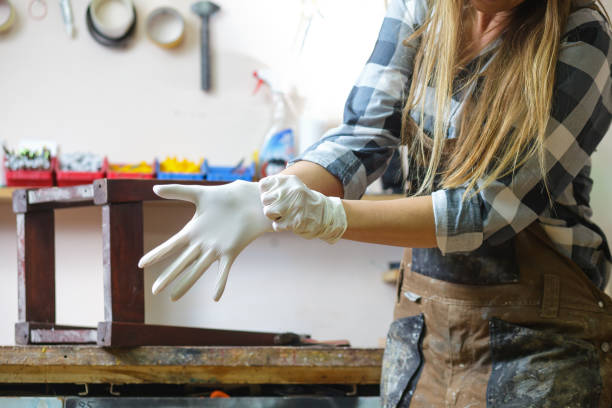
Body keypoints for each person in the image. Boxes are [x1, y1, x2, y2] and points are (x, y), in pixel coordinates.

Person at [139, 0, 612, 406]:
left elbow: (486, 208)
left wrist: (328, 217)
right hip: (427, 329)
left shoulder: (583, 33)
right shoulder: (423, 8)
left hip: (540, 337)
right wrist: (270, 196)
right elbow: (365, 134)